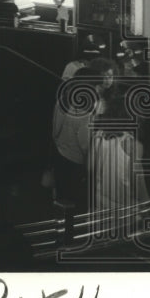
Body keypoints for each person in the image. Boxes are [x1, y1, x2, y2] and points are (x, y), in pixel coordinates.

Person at [51, 67, 97, 208]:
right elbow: (84, 143)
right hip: (76, 161)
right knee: (76, 201)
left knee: (62, 198)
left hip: (60, 154)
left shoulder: (62, 100)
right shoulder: (86, 108)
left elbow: (55, 131)